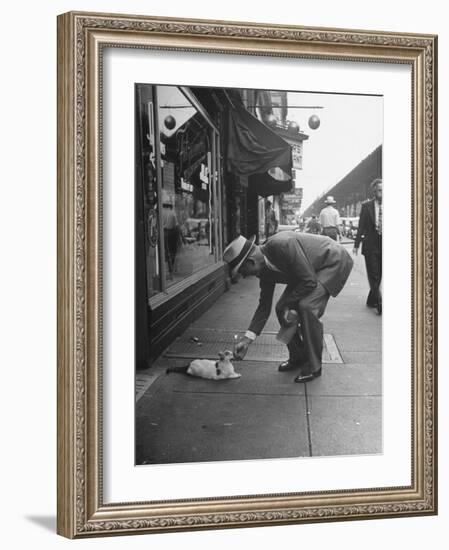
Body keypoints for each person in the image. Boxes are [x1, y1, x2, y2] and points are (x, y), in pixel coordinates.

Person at [223, 231, 353, 383]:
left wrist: (288, 304)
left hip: (332, 261)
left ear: (251, 262)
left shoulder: (283, 245)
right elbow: (264, 307)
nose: (244, 276)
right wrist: (247, 340)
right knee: (280, 309)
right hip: (307, 272)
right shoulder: (263, 270)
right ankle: (298, 356)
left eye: (242, 272)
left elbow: (309, 281)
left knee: (307, 306)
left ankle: (314, 365)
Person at [353, 178, 382, 314]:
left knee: (379, 275)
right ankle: (379, 301)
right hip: (371, 244)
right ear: (374, 191)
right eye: (380, 190)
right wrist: (356, 245)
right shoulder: (366, 206)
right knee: (373, 274)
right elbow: (361, 227)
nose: (383, 193)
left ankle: (371, 299)